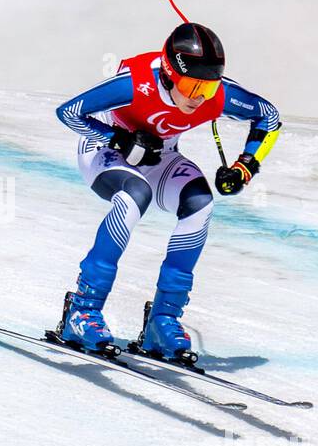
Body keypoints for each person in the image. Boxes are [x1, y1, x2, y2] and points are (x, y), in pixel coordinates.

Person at [53, 22, 281, 358]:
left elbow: (269, 117)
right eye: (191, 85)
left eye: (207, 87)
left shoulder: (215, 95)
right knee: (134, 197)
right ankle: (83, 310)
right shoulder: (136, 84)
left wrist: (244, 166)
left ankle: (164, 319)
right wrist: (119, 139)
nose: (197, 97)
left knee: (200, 203)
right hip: (104, 153)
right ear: (171, 74)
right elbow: (69, 113)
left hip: (161, 157)